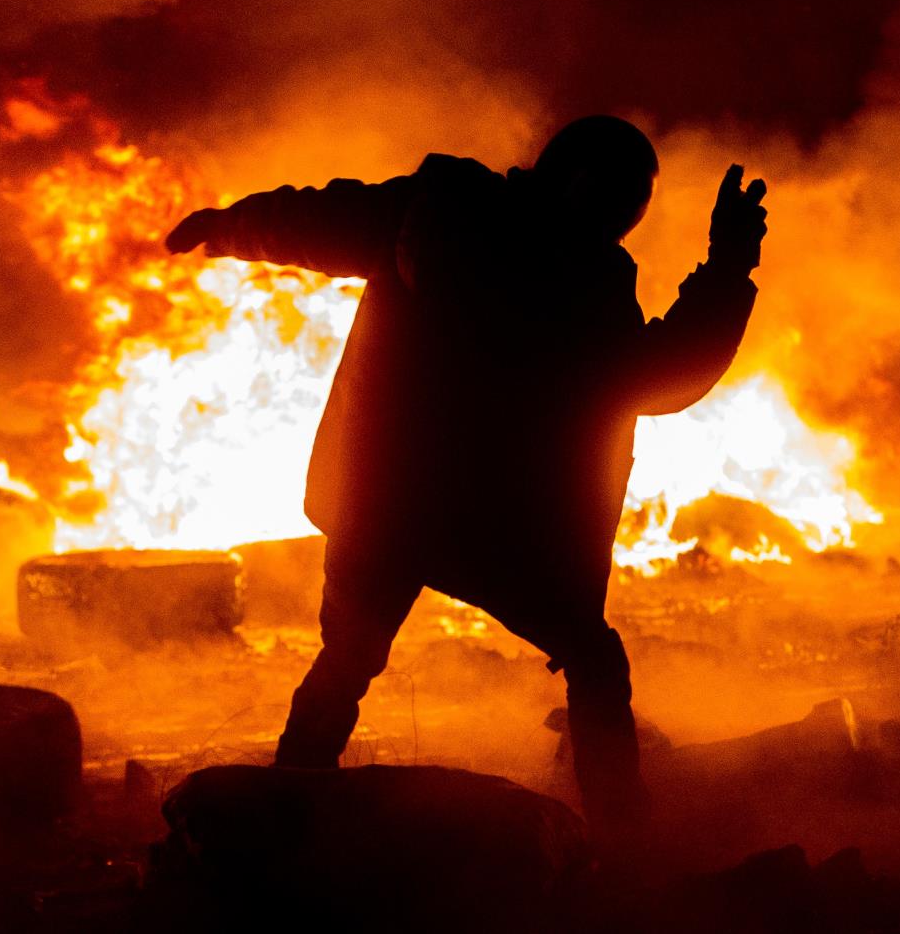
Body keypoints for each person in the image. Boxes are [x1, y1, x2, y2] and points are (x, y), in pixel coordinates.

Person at [166, 116, 768, 837]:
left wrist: (230, 226)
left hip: (385, 497)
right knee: (591, 658)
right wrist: (728, 269)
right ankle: (623, 833)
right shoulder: (588, 280)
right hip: (503, 523)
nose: (627, 219)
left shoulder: (439, 205)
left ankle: (282, 820)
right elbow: (658, 376)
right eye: (627, 200)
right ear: (586, 186)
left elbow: (320, 220)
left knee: (347, 660)